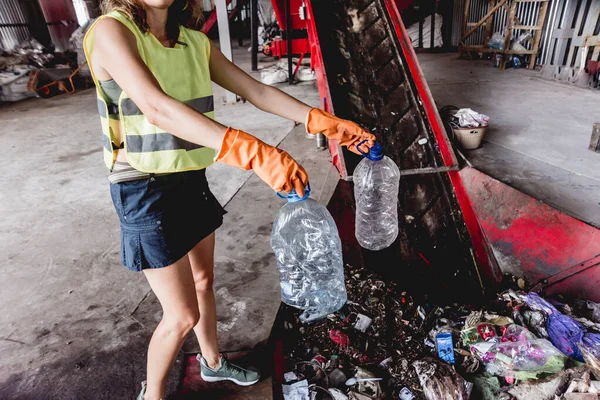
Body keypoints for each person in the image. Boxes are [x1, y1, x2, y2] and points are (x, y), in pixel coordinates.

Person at [84, 1, 375, 399]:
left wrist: (322, 120)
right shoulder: (111, 31)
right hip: (143, 186)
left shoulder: (192, 42)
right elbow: (155, 107)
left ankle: (213, 363)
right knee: (182, 314)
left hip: (188, 174)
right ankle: (151, 394)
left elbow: (254, 90)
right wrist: (254, 153)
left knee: (203, 281)